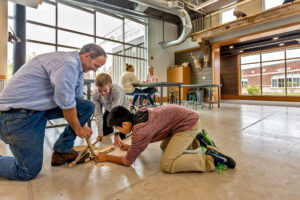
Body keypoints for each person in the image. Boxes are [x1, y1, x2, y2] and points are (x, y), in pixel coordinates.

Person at [0, 43, 106, 181]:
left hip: (37, 111)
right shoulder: (67, 63)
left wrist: (79, 121)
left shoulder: (78, 69)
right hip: (16, 116)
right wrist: (78, 128)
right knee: (27, 170)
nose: (95, 70)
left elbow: (77, 100)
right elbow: (67, 103)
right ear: (86, 56)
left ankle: (62, 151)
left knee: (87, 106)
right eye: (96, 65)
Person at [94, 105, 236, 174]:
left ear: (125, 124)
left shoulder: (140, 131)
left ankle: (210, 160)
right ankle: (198, 141)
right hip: (187, 120)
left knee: (168, 165)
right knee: (164, 148)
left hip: (188, 125)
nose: (119, 132)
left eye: (118, 129)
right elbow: (140, 144)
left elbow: (127, 161)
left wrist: (106, 157)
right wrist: (132, 147)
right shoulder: (139, 113)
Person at [92, 73, 130, 144]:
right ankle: (111, 127)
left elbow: (116, 113)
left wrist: (116, 134)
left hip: (122, 111)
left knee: (122, 136)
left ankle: (131, 124)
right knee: (104, 132)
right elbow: (98, 114)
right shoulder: (95, 94)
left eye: (105, 90)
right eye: (100, 91)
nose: (102, 93)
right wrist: (100, 132)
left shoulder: (117, 91)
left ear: (110, 85)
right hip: (110, 110)